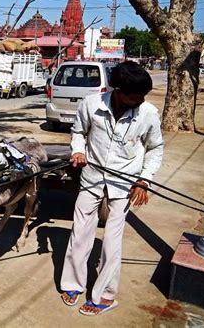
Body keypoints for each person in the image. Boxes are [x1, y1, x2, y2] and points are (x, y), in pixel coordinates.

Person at [60, 61, 164, 316]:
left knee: (111, 242)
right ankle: (72, 284)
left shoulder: (148, 113)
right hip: (92, 177)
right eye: (135, 96)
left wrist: (144, 180)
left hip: (125, 184)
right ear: (118, 91)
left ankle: (105, 296)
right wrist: (78, 151)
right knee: (80, 233)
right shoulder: (91, 105)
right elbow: (78, 133)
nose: (140, 101)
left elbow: (155, 148)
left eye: (143, 96)